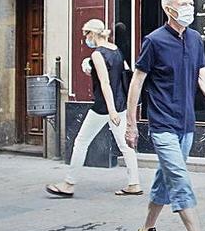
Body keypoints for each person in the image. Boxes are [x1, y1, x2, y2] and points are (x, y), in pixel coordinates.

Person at [126, 0, 205, 231]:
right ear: (168, 9)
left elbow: (202, 77)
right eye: (183, 4)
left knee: (165, 178)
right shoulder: (154, 41)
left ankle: (147, 230)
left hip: (186, 125)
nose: (189, 9)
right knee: (179, 180)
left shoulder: (195, 38)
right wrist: (131, 124)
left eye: (190, 4)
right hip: (162, 125)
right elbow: (137, 82)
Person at [46, 19, 142, 198]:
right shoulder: (115, 49)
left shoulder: (98, 54)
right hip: (119, 102)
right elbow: (121, 73)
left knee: (81, 142)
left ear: (92, 33)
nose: (85, 38)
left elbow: (105, 83)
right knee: (125, 145)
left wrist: (111, 110)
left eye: (85, 34)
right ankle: (134, 183)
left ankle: (69, 183)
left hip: (104, 106)